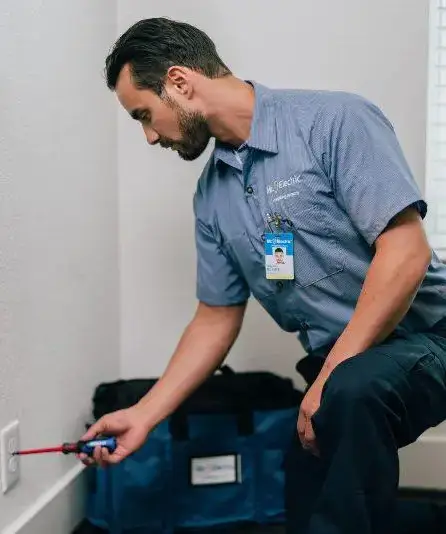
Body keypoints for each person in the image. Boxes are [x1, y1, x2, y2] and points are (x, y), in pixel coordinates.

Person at [80, 17, 446, 534]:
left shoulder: (335, 121)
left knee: (349, 396)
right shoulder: (211, 198)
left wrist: (328, 377)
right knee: (303, 490)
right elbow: (215, 318)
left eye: (144, 114)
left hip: (429, 338)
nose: (147, 136)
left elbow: (406, 251)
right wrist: (143, 414)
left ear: (180, 83)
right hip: (341, 370)